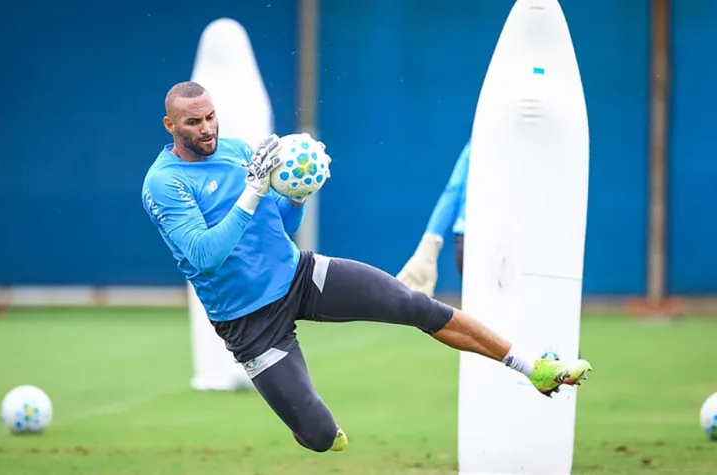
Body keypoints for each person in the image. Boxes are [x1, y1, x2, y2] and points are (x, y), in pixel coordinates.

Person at [141, 81, 592, 454]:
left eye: (211, 117)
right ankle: (313, 426)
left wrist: (296, 194)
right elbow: (205, 255)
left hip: (299, 275)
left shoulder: (237, 150)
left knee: (414, 304)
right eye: (193, 122)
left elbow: (281, 223)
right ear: (170, 125)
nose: (207, 128)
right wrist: (254, 191)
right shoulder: (164, 183)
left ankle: (533, 367)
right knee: (319, 436)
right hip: (250, 321)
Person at [397, 140, 470, 297]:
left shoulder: (480, 135)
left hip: (465, 243)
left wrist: (429, 245)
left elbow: (453, 189)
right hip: (495, 242)